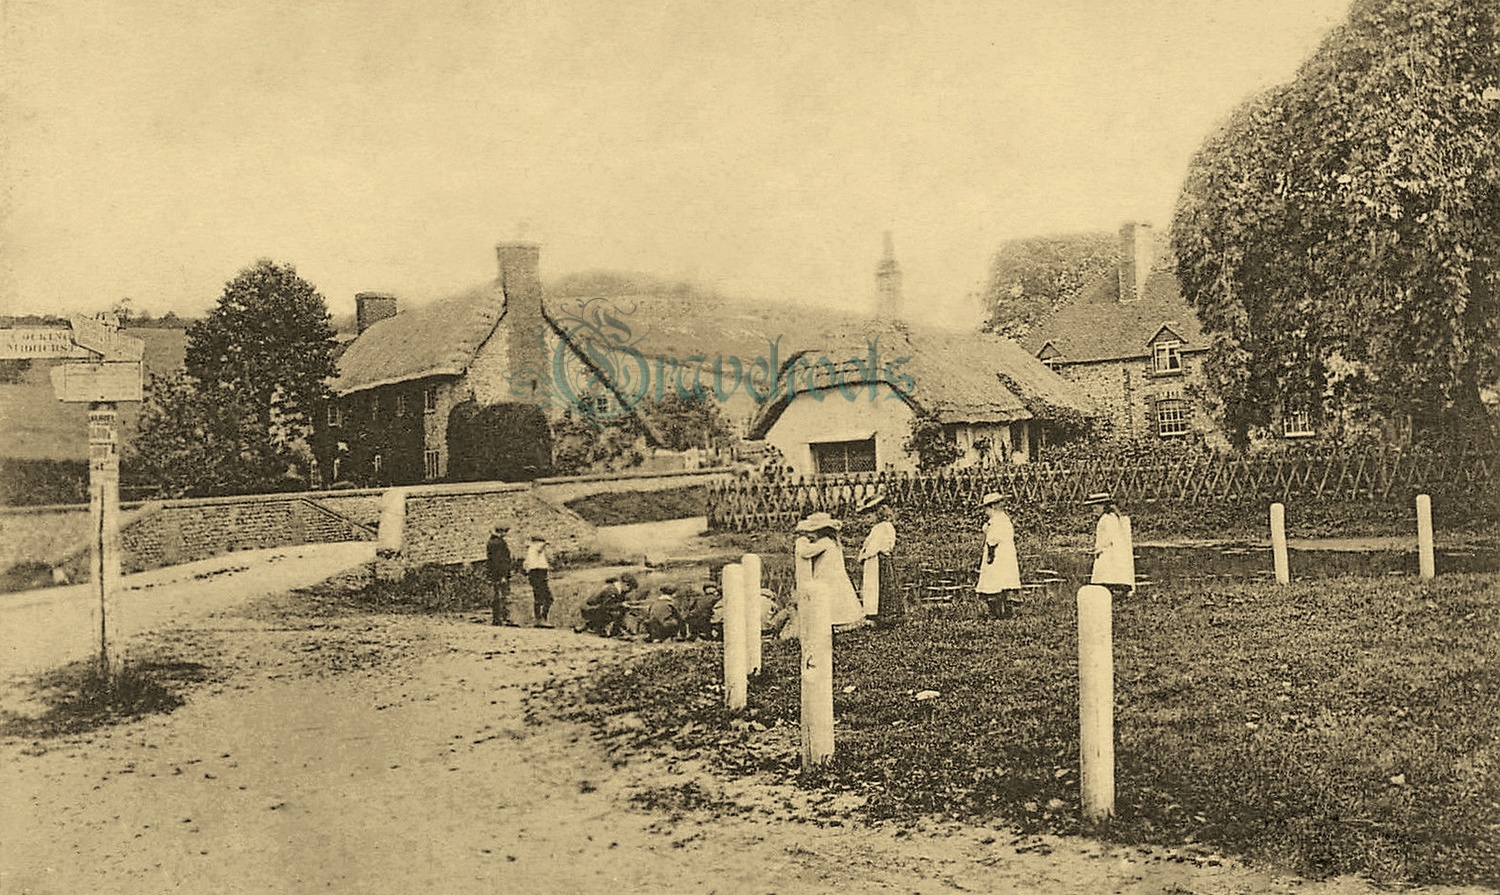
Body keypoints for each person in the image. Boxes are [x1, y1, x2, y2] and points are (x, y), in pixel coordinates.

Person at [793, 511, 866, 630]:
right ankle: (841, 621)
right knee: (838, 597)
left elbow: (805, 552)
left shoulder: (825, 542)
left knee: (830, 599)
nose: (809, 536)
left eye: (812, 532)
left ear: (821, 531)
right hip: (833, 575)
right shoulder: (832, 542)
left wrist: (801, 542)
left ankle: (835, 622)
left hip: (827, 576)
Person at [856, 495, 902, 627]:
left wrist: (864, 556)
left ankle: (882, 616)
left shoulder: (882, 527)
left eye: (870, 514)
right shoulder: (883, 526)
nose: (869, 518)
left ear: (878, 513)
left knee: (879, 587)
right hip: (878, 558)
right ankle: (881, 615)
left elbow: (874, 546)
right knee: (881, 587)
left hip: (878, 559)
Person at [976, 492, 1022, 619]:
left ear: (993, 507)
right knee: (1005, 582)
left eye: (986, 508)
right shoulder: (1004, 520)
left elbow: (992, 541)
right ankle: (1006, 611)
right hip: (1006, 556)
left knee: (993, 582)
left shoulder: (997, 522)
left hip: (997, 556)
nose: (985, 512)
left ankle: (995, 613)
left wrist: (990, 557)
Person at [1085, 491, 1134, 599]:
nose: (1094, 511)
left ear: (1104, 506)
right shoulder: (1111, 517)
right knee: (1107, 573)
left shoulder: (1107, 519)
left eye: (1096, 508)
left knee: (1106, 573)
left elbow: (1109, 538)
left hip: (1109, 552)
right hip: (1109, 550)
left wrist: (1098, 549)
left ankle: (1112, 592)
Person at [484, 524, 514, 626]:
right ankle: (504, 618)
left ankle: (497, 618)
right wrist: (503, 576)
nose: (506, 534)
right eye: (505, 532)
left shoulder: (491, 541)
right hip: (500, 573)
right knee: (503, 596)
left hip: (494, 573)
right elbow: (499, 561)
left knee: (497, 595)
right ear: (501, 532)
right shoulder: (499, 543)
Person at [523, 534, 554, 626]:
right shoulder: (534, 549)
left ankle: (541, 619)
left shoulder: (534, 550)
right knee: (544, 598)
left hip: (539, 574)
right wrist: (545, 544)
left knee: (543, 598)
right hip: (537, 574)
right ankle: (540, 619)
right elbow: (540, 548)